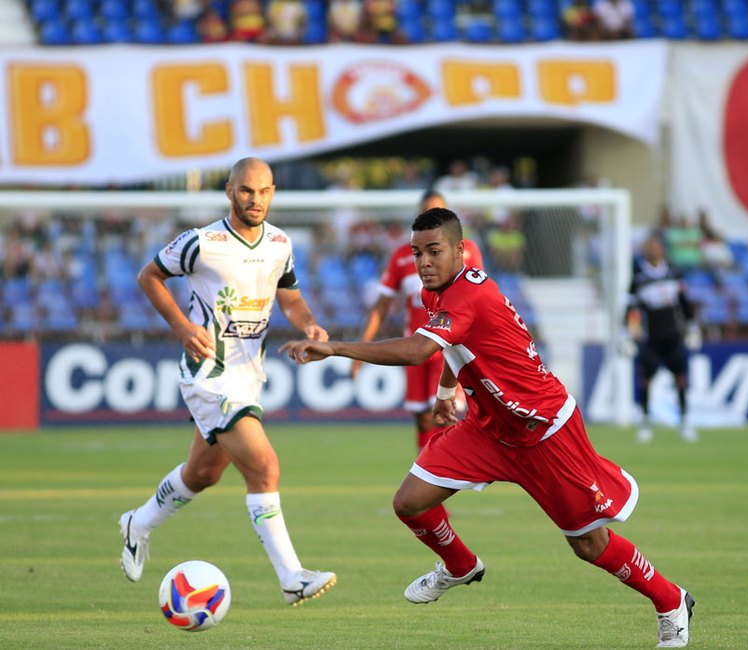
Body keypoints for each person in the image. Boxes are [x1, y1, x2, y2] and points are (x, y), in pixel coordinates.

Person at [281, 208, 695, 648]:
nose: (423, 262)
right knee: (410, 503)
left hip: (544, 432)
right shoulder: (434, 293)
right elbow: (453, 348)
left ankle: (671, 601)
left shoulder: (471, 294)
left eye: (434, 251)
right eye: (417, 252)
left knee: (589, 544)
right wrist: (445, 395)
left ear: (461, 250)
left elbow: (421, 349)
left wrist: (336, 347)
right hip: (489, 428)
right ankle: (460, 566)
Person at [118, 158, 336, 607]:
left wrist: (310, 326)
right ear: (229, 191)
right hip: (209, 373)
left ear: (273, 192)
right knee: (264, 468)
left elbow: (290, 296)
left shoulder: (280, 243)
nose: (255, 200)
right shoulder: (203, 241)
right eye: (245, 191)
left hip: (248, 374)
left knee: (203, 473)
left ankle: (137, 523)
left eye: (263, 192)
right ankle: (291, 576)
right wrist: (181, 326)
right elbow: (149, 275)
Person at [351, 190, 483, 451]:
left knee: (448, 415)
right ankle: (425, 473)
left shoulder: (466, 251)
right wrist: (360, 352)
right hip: (417, 347)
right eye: (427, 213)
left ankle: (445, 476)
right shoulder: (403, 256)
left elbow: (480, 300)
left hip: (450, 349)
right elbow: (381, 307)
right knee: (422, 418)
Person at [625, 234, 700, 444]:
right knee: (646, 380)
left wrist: (693, 327)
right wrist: (629, 333)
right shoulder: (638, 277)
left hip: (674, 336)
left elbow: (685, 303)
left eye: (656, 245)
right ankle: (646, 422)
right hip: (651, 338)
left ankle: (684, 421)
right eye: (649, 246)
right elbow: (631, 309)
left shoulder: (674, 273)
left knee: (681, 379)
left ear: (663, 249)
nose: (653, 249)